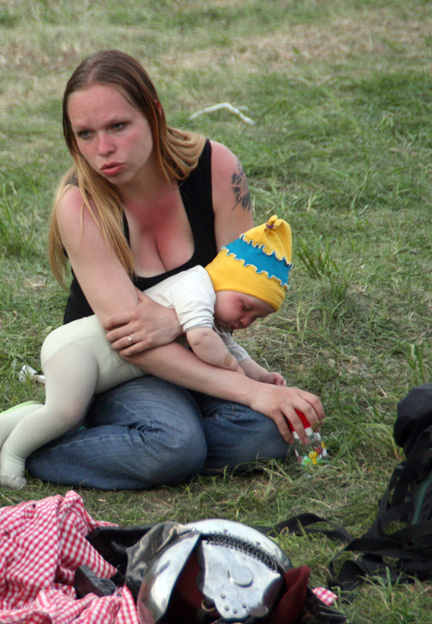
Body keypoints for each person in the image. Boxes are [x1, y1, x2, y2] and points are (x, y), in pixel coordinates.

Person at [24, 49, 323, 490]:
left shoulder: (217, 168)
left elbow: (237, 295)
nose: (102, 149)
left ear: (155, 115)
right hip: (114, 366)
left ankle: (139, 444)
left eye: (118, 126)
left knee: (268, 434)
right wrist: (255, 391)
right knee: (176, 444)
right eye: (85, 134)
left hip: (194, 347)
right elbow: (133, 342)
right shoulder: (79, 204)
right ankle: (26, 443)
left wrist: (171, 320)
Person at [0, 216, 294, 489]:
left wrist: (261, 377)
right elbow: (202, 340)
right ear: (226, 280)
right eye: (245, 307)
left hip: (114, 369)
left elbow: (231, 349)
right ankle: (16, 454)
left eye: (257, 318)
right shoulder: (197, 286)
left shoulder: (217, 312)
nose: (246, 321)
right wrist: (237, 375)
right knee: (65, 414)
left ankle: (2, 426)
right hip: (77, 351)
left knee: (67, 414)